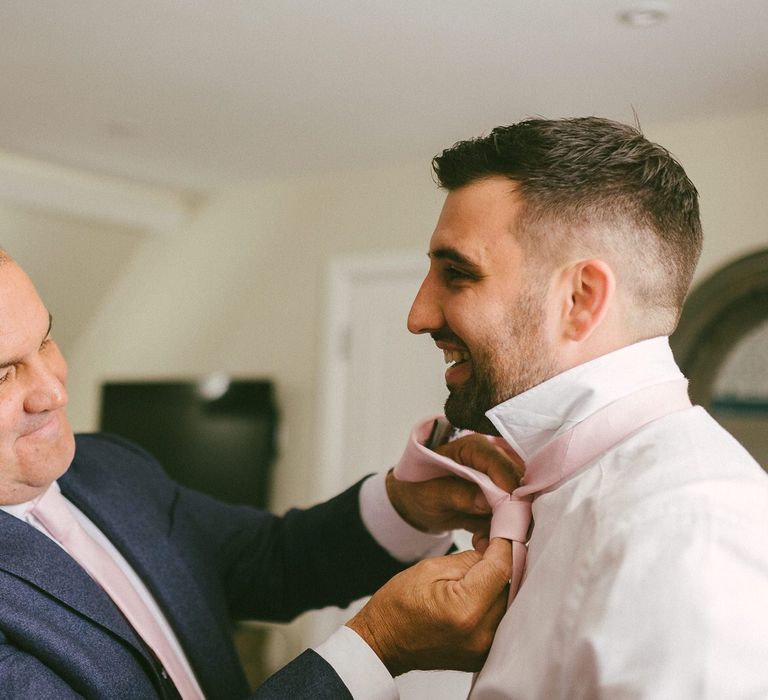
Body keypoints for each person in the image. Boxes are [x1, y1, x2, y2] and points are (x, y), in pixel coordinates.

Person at [359, 116, 768, 698]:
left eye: (457, 274)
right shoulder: (553, 491)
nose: (418, 315)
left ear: (579, 299)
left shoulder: (690, 533)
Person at [0, 250, 520, 698]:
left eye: (45, 341)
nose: (55, 392)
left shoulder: (110, 465)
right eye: (3, 372)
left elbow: (268, 557)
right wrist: (378, 646)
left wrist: (405, 506)